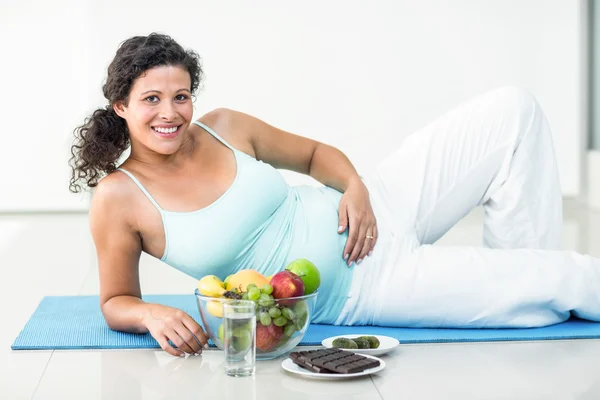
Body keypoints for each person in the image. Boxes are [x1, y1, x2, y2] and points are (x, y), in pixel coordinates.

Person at [70, 33, 600, 358]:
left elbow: (316, 154)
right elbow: (116, 301)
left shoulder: (224, 125)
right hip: (367, 283)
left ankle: (519, 273)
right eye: (152, 99)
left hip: (381, 205)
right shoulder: (120, 199)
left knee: (514, 111)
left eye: (181, 96)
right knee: (568, 278)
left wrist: (355, 187)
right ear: (121, 106)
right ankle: (528, 279)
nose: (171, 113)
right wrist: (151, 315)